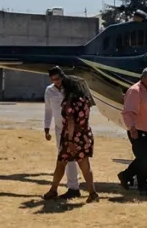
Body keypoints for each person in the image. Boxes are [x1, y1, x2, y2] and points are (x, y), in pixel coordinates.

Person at [43, 75, 99, 203]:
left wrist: (70, 141)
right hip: (85, 135)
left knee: (61, 163)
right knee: (85, 165)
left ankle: (53, 190)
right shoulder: (85, 100)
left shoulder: (70, 101)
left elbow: (71, 121)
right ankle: (92, 192)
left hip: (73, 137)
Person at [118, 67, 147, 196]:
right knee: (143, 159)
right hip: (137, 130)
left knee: (144, 159)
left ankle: (132, 180)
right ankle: (132, 180)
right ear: (144, 78)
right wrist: (132, 128)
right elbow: (128, 112)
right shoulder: (135, 91)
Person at [44, 67, 80, 199]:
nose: (57, 82)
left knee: (75, 158)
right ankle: (72, 187)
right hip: (59, 129)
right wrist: (46, 128)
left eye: (58, 79)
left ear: (62, 76)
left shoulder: (71, 88)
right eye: (53, 80)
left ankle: (74, 187)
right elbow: (48, 110)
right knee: (64, 158)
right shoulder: (49, 91)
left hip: (73, 128)